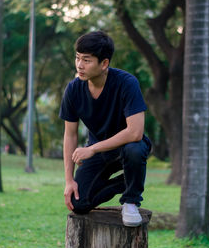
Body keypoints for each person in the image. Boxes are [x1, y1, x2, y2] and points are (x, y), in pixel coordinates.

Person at [59, 31, 152, 227]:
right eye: (77, 58)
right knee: (78, 202)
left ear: (104, 64)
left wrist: (92, 148)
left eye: (87, 60)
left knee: (134, 148)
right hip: (99, 152)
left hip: (127, 147)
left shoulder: (127, 83)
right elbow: (70, 135)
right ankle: (129, 180)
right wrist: (69, 180)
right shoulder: (73, 90)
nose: (80, 65)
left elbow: (135, 132)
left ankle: (131, 200)